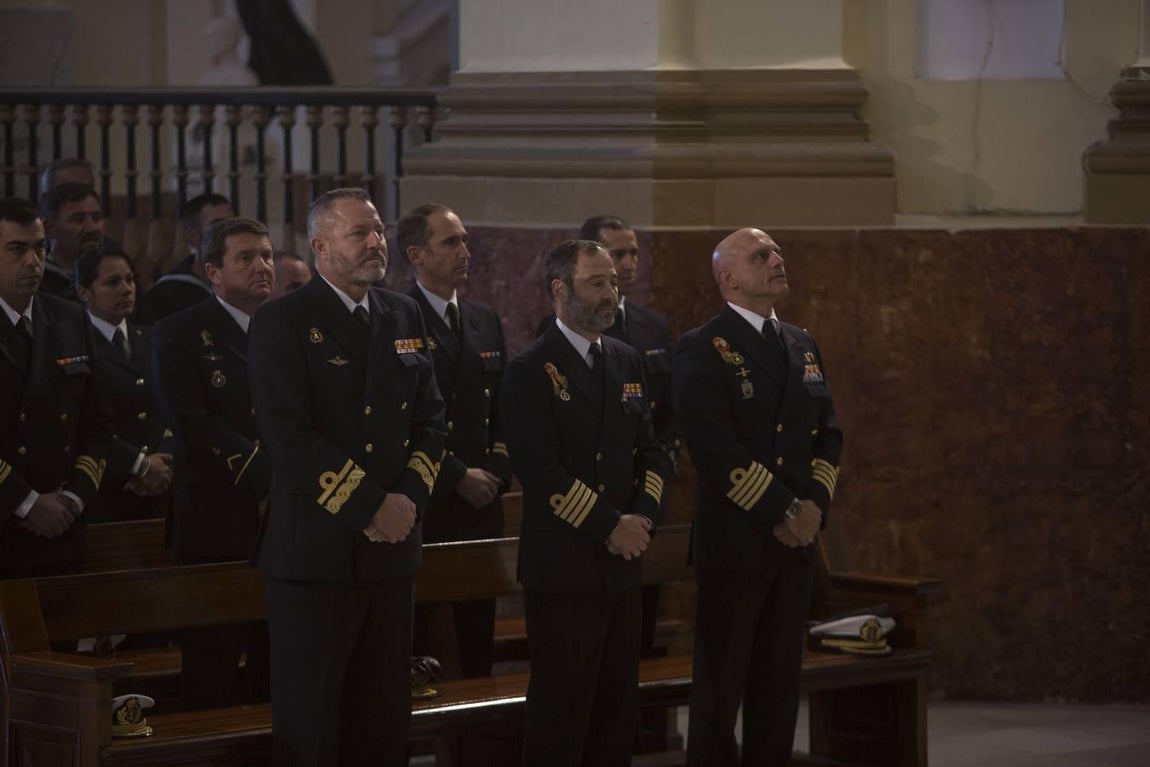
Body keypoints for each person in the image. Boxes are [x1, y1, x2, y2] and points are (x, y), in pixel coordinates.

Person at [248, 188, 446, 766]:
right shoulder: (283, 321)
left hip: (391, 553)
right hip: (317, 553)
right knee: (312, 726)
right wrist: (371, 507)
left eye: (379, 230)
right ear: (320, 246)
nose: (376, 242)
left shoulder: (402, 313)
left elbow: (431, 421)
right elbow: (290, 440)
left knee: (383, 722)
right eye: (359, 232)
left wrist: (407, 500)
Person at [673, 228, 843, 767]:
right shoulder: (704, 345)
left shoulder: (800, 341)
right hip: (737, 544)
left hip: (794, 546)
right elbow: (713, 447)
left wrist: (813, 507)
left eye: (777, 252)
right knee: (721, 692)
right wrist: (786, 510)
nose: (777, 259)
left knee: (778, 686)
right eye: (761, 255)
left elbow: (828, 435)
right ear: (729, 278)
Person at [502, 239, 673, 767]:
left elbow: (653, 451)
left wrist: (641, 518)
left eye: (615, 284)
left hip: (623, 564)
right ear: (560, 289)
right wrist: (608, 525)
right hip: (566, 569)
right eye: (596, 283)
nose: (611, 295)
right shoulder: (532, 369)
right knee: (563, 712)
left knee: (615, 713)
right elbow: (542, 472)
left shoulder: (625, 360)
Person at [152, 217, 273, 710]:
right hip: (216, 519)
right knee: (214, 666)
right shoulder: (179, 332)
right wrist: (269, 476)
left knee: (277, 663)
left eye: (266, 254)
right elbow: (192, 422)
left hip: (284, 518)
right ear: (213, 272)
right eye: (245, 257)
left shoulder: (288, 326)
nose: (262, 266)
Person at [398, 203, 511, 678]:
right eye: (451, 242)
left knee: (477, 638)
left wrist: (498, 470)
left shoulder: (484, 317)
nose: (465, 251)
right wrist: (456, 474)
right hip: (433, 499)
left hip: (484, 502)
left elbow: (502, 407)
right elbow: (400, 418)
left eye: (464, 240)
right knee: (430, 644)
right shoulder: (399, 316)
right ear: (416, 254)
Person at [0, 197, 112, 579]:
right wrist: (27, 503)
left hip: (63, 524)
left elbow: (97, 424)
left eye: (39, 247)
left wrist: (74, 498)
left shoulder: (68, 318)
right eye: (17, 249)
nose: (33, 261)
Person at [73, 248, 174, 524]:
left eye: (130, 280)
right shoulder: (76, 344)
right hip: (109, 488)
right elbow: (85, 421)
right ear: (84, 293)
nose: (127, 289)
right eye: (112, 282)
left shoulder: (151, 338)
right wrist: (139, 466)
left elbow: (172, 406)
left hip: (161, 488)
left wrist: (163, 462)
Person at [141, 193, 235, 322]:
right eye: (218, 226)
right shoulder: (169, 293)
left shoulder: (244, 282)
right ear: (193, 237)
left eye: (233, 224)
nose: (229, 232)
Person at [39, 182, 107, 300]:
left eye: (97, 218)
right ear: (49, 228)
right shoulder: (38, 282)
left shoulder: (116, 274)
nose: (91, 228)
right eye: (79, 219)